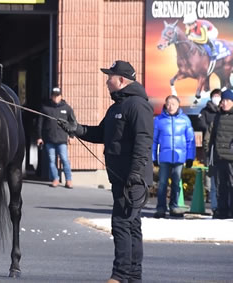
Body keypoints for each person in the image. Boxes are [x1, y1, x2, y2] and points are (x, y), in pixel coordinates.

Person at [58, 60, 153, 283]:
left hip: (133, 178)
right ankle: (133, 277)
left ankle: (120, 276)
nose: (106, 81)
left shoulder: (138, 105)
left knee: (121, 224)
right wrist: (76, 129)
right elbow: (101, 133)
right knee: (132, 226)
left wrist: (136, 173)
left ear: (121, 80)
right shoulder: (116, 107)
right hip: (120, 176)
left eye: (109, 76)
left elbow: (144, 140)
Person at [152, 95, 196, 218]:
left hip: (179, 158)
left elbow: (190, 140)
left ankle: (174, 206)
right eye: (168, 104)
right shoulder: (159, 120)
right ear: (165, 105)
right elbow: (154, 140)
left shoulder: (185, 120)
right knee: (162, 184)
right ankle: (160, 208)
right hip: (164, 158)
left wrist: (190, 157)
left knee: (176, 183)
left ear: (178, 105)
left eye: (173, 104)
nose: (171, 106)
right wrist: (154, 157)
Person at [36, 87, 76, 188]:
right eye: (54, 96)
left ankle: (68, 180)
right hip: (49, 139)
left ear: (61, 96)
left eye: (57, 96)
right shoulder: (45, 108)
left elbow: (73, 122)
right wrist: (39, 137)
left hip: (62, 139)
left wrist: (71, 135)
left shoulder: (67, 108)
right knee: (51, 160)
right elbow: (39, 124)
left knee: (64, 159)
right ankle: (55, 179)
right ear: (51, 96)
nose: (56, 98)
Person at [204, 88, 233, 219]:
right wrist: (209, 152)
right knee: (221, 186)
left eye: (227, 100)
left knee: (232, 185)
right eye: (223, 101)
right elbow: (210, 137)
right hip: (219, 157)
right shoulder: (217, 117)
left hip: (231, 158)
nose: (224, 103)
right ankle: (222, 211)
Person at [198, 89, 221, 214]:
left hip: (223, 150)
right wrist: (211, 130)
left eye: (219, 96)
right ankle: (209, 196)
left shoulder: (223, 113)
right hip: (210, 147)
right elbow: (201, 124)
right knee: (209, 173)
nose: (216, 98)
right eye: (215, 96)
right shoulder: (205, 111)